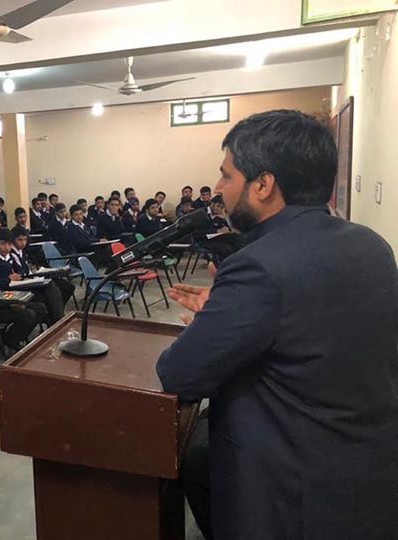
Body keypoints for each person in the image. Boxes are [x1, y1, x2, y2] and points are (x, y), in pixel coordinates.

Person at [157, 110, 398, 540]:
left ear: (263, 185)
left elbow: (180, 373)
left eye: (227, 175)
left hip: (290, 490)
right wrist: (232, 311)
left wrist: (209, 322)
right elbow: (311, 325)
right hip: (368, 470)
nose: (219, 188)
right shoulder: (371, 244)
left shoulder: (257, 266)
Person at [0, 228, 50, 323]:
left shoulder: (9, 255)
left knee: (46, 297)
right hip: (3, 296)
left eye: (9, 244)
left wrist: (18, 275)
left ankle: (56, 323)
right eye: (3, 244)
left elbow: (21, 269)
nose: (7, 248)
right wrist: (8, 279)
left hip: (16, 288)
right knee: (36, 306)